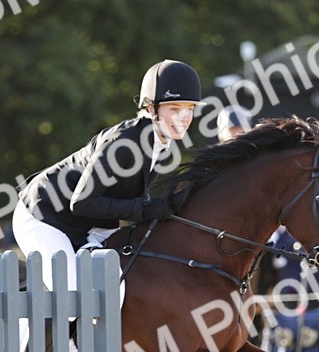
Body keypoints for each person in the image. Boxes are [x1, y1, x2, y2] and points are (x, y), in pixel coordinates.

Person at [13, 59, 203, 284]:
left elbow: (124, 193)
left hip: (87, 223)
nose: (185, 117)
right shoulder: (123, 143)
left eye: (190, 109)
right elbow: (82, 202)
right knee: (74, 292)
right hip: (44, 216)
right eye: (175, 109)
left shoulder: (162, 145)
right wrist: (145, 208)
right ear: (151, 108)